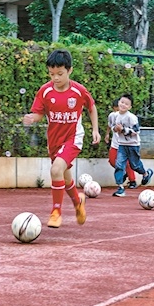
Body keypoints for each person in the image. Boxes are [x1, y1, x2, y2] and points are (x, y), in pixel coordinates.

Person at [23, 49, 101, 228]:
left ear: (69, 70)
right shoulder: (45, 91)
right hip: (54, 140)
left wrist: (95, 130)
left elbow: (91, 107)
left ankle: (56, 212)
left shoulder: (78, 91)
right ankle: (78, 202)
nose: (55, 78)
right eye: (51, 74)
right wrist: (32, 118)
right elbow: (39, 114)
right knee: (64, 177)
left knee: (56, 169)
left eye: (60, 73)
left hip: (73, 137)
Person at [109, 93, 154, 197]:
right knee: (119, 165)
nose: (123, 105)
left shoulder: (131, 117)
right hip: (121, 145)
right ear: (118, 103)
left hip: (133, 145)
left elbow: (136, 130)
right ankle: (120, 187)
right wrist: (115, 129)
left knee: (134, 165)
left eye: (126, 104)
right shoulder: (114, 116)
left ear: (130, 107)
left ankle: (145, 173)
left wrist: (123, 130)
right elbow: (112, 127)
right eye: (122, 102)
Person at [105, 98, 137, 189]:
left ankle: (132, 180)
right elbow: (109, 125)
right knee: (112, 160)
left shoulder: (128, 117)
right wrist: (107, 134)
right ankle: (124, 172)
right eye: (116, 109)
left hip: (125, 143)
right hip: (115, 143)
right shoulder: (112, 116)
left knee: (127, 162)